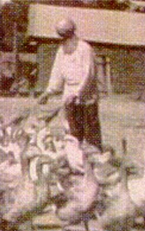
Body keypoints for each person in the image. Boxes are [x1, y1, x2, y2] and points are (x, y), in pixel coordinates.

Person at [38, 18, 102, 153]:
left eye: (65, 36)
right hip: (69, 93)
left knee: (90, 129)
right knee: (72, 129)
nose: (64, 40)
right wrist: (48, 93)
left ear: (71, 33)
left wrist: (77, 93)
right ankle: (75, 156)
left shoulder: (85, 48)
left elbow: (88, 74)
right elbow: (57, 73)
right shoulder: (62, 50)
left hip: (86, 94)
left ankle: (93, 160)